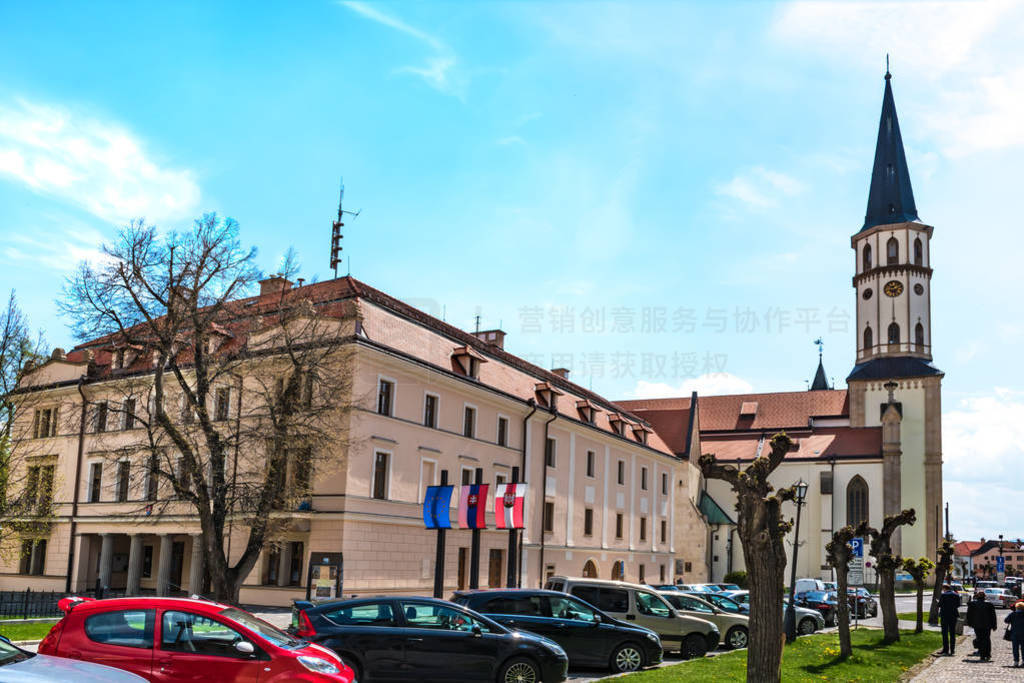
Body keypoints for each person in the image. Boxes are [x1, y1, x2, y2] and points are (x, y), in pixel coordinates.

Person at [966, 590, 996, 661]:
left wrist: (969, 623)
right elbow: (993, 616)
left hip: (977, 624)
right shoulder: (989, 604)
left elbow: (969, 615)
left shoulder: (973, 604)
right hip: (987, 625)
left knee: (980, 639)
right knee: (987, 639)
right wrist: (994, 625)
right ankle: (987, 654)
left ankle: (982, 655)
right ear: (985, 596)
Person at [939, 583, 961, 656]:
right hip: (953, 615)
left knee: (944, 633)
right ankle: (952, 650)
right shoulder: (956, 595)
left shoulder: (943, 595)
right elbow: (958, 605)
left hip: (944, 615)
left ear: (945, 589)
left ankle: (945, 649)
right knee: (952, 633)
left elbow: (940, 604)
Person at [1007, 602, 1024, 668]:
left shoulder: (1012, 614)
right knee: (1023, 648)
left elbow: (1006, 620)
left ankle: (1016, 661)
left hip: (1015, 633)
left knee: (1015, 648)